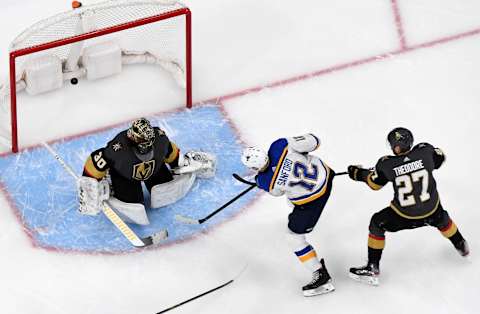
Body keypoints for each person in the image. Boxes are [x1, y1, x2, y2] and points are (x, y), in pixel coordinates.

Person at [347, 127, 469, 285]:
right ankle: (461, 245)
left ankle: (372, 267)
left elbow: (374, 184)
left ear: (394, 147)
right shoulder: (425, 151)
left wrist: (357, 173)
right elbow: (440, 158)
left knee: (377, 223)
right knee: (441, 217)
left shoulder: (387, 164)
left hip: (404, 216)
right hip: (431, 209)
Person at [241, 134, 335, 297]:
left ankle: (320, 275)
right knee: (291, 202)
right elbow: (315, 141)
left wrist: (258, 180)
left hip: (313, 201)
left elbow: (277, 192)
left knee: (294, 238)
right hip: (326, 174)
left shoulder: (266, 181)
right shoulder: (280, 145)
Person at [78, 117, 215, 225]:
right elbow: (97, 161)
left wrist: (180, 164)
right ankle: (111, 184)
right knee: (134, 204)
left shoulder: (159, 138)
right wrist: (89, 184)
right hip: (125, 177)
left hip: (155, 170)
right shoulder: (117, 149)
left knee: (165, 186)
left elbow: (169, 151)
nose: (145, 145)